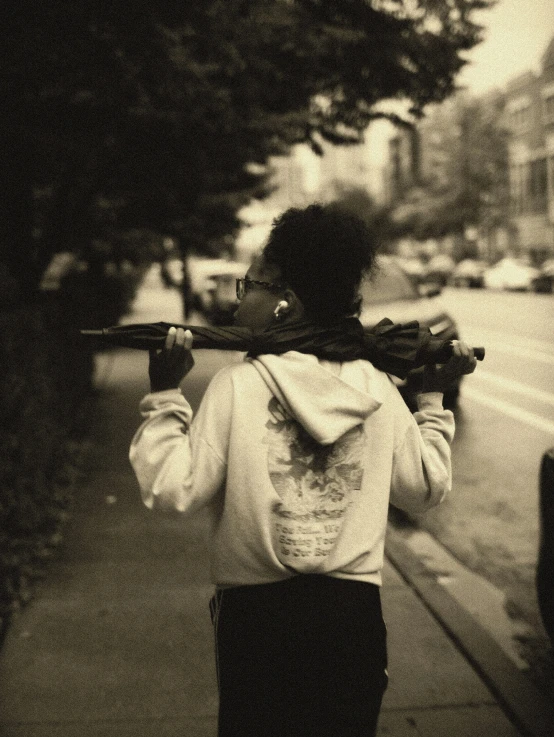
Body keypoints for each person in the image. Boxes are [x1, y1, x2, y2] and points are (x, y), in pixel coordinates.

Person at [129, 203, 477, 737]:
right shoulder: (376, 387)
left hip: (257, 622)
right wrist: (430, 401)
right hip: (351, 622)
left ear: (285, 303)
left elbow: (172, 489)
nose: (242, 296)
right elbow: (423, 489)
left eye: (253, 285)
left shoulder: (238, 388)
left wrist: (164, 394)